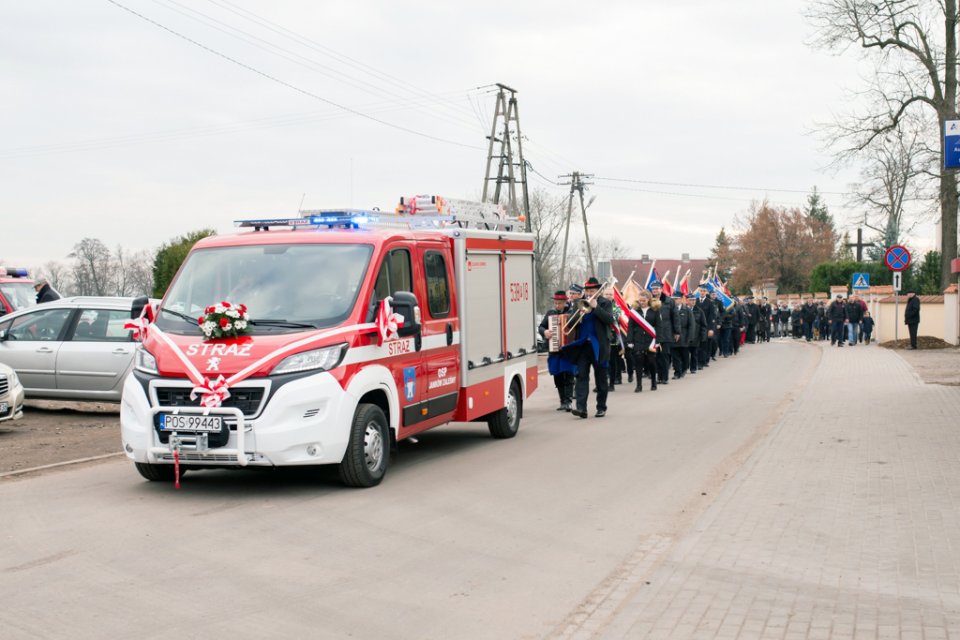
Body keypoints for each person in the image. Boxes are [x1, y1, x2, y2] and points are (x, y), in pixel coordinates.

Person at [570, 277, 615, 419]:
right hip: (583, 346)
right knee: (581, 377)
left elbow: (609, 320)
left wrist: (596, 308)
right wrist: (579, 314)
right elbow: (570, 323)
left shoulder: (605, 303)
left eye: (592, 290)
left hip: (599, 346)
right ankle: (581, 408)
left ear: (598, 291)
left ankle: (601, 407)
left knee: (601, 378)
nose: (589, 293)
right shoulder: (579, 303)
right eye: (587, 290)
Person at [539, 290, 576, 411]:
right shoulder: (550, 313)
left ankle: (569, 400)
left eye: (559, 303)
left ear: (565, 302)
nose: (557, 305)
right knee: (558, 375)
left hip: (568, 350)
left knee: (569, 375)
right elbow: (541, 326)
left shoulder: (571, 313)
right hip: (555, 349)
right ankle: (562, 401)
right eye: (555, 303)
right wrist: (545, 332)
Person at [626, 291, 658, 392]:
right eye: (640, 300)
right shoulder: (635, 311)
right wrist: (629, 340)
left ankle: (653, 382)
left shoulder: (655, 310)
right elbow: (630, 327)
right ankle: (639, 385)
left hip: (650, 340)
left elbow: (659, 326)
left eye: (644, 300)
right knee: (638, 362)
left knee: (651, 362)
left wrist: (658, 340)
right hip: (638, 340)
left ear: (648, 299)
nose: (642, 302)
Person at [649, 281, 680, 384]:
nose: (655, 290)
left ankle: (665, 378)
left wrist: (677, 332)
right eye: (653, 289)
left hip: (666, 332)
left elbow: (675, 317)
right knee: (656, 356)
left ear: (661, 289)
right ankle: (659, 377)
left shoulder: (669, 301)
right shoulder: (650, 300)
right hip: (653, 333)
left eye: (657, 288)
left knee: (665, 355)